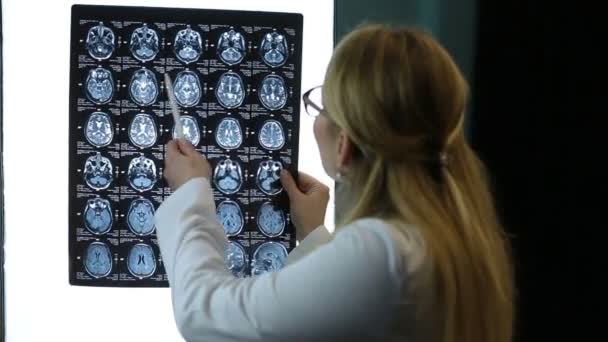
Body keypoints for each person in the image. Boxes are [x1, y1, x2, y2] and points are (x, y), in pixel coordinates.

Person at [155, 24, 514, 342]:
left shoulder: (382, 251)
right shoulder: (447, 239)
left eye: (323, 105)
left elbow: (206, 315)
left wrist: (190, 194)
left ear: (344, 146)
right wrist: (313, 236)